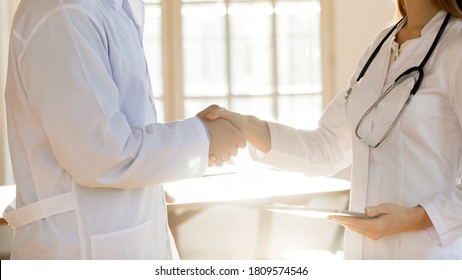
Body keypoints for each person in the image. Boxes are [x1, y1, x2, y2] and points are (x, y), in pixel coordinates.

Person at [205, 0, 462, 259]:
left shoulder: (456, 45)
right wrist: (246, 126)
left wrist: (415, 218)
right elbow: (326, 148)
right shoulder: (382, 44)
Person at [3, 0, 245, 259]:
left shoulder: (114, 7)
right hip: (76, 251)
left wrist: (149, 179)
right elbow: (99, 155)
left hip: (124, 241)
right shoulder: (63, 12)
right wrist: (204, 138)